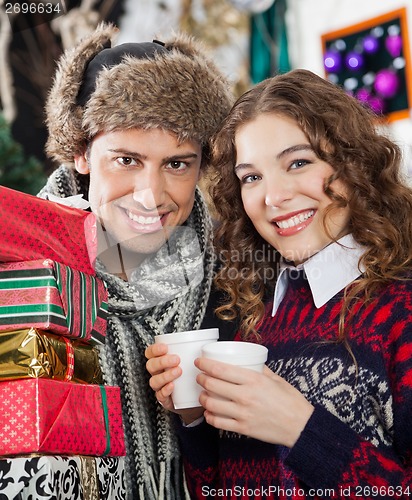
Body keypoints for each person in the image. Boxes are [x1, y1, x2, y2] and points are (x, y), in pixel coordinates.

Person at [146, 69, 412, 499]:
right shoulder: (255, 315)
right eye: (252, 177)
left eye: (298, 163)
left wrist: (301, 430)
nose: (273, 197)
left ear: (352, 163)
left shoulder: (401, 310)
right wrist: (194, 417)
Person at [38, 22, 235, 499]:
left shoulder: (230, 282)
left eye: (176, 164)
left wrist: (192, 416)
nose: (151, 196)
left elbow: (240, 467)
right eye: (126, 160)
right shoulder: (23, 269)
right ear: (82, 153)